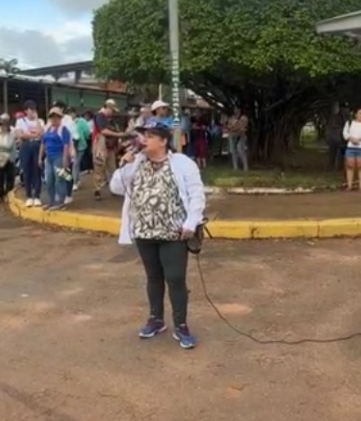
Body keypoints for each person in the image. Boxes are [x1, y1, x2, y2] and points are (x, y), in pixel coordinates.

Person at [110, 120, 205, 350]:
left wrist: (192, 222)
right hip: (144, 232)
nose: (144, 140)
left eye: (150, 136)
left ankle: (181, 325)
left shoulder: (182, 163)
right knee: (153, 277)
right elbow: (116, 188)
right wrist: (125, 165)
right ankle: (156, 319)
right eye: (142, 135)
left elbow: (196, 194)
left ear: (163, 141)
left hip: (174, 233)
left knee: (174, 278)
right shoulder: (137, 162)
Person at [93, 99, 127, 201]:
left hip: (109, 146)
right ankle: (97, 190)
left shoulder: (109, 119)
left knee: (112, 168)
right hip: (100, 145)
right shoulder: (100, 116)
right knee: (99, 167)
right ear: (108, 107)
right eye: (112, 110)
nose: (113, 113)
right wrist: (119, 134)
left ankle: (114, 188)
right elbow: (103, 131)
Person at [41, 107, 72, 210]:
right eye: (52, 117)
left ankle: (60, 202)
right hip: (49, 157)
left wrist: (65, 159)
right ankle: (51, 201)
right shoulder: (48, 129)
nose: (54, 119)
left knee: (59, 179)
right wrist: (40, 157)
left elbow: (66, 146)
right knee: (49, 180)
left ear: (60, 118)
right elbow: (43, 143)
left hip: (59, 156)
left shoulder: (64, 130)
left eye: (57, 117)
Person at [15, 100, 45, 207]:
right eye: (30, 110)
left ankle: (37, 195)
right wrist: (34, 135)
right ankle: (28, 196)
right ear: (26, 111)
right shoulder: (20, 121)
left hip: (37, 146)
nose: (32, 112)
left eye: (34, 109)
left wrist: (36, 120)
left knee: (37, 170)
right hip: (26, 146)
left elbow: (42, 133)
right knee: (27, 171)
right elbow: (20, 135)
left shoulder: (40, 121)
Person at [343, 107, 361, 191]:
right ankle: (349, 185)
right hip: (351, 147)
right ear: (355, 114)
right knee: (350, 166)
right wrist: (351, 138)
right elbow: (345, 133)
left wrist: (359, 139)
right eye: (360, 113)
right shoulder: (349, 123)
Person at [0, 114, 17, 203]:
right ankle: (0, 194)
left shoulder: (11, 134)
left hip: (9, 159)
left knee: (9, 177)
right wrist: (1, 148)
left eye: (4, 125)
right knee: (0, 177)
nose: (2, 127)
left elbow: (9, 146)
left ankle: (9, 195)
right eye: (1, 125)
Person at [226, 106, 249, 171]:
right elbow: (228, 126)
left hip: (240, 136)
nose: (235, 110)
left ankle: (245, 166)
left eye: (236, 109)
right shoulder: (232, 117)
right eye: (234, 109)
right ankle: (235, 167)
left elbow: (242, 127)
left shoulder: (243, 118)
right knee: (233, 151)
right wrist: (234, 127)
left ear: (240, 109)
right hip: (232, 135)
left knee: (240, 150)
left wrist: (235, 127)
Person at [325, 105, 348, 172]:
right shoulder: (335, 117)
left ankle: (340, 167)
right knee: (332, 153)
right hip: (334, 137)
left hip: (341, 138)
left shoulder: (346, 117)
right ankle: (331, 167)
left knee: (341, 154)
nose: (345, 110)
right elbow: (332, 126)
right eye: (344, 108)